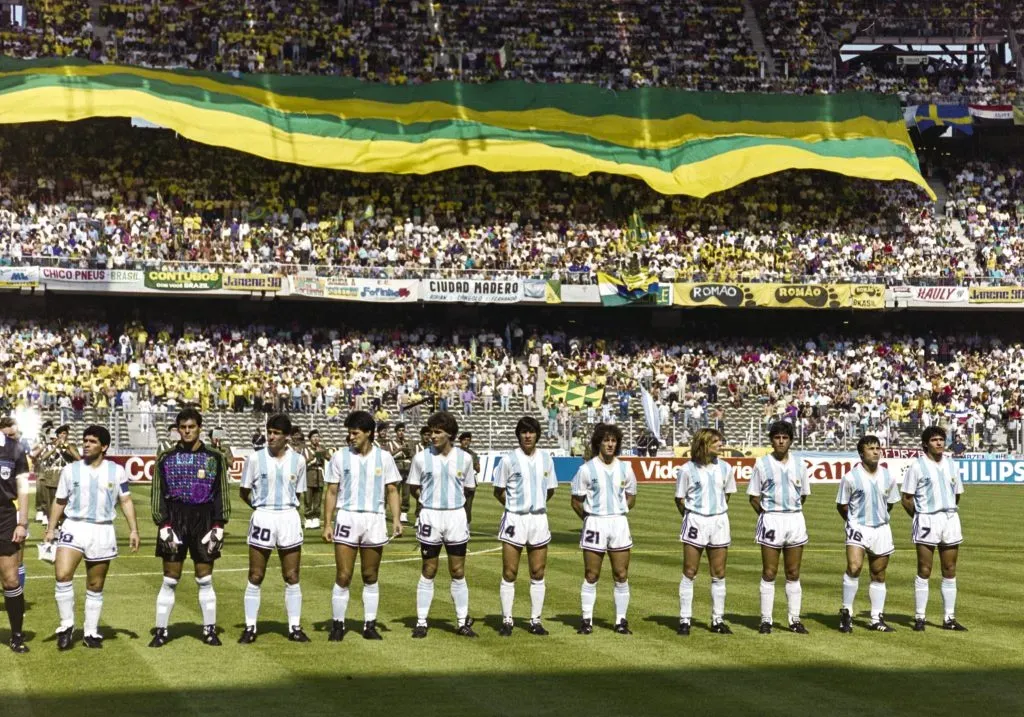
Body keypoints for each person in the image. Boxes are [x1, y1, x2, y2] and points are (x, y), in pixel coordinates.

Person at [44, 425, 140, 650]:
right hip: (74, 526)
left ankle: (91, 632)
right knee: (63, 574)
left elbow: (125, 500)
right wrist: (50, 528)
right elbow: (60, 501)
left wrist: (133, 529)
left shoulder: (116, 471)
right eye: (85, 440)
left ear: (104, 446)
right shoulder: (71, 470)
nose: (86, 444)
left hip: (102, 529)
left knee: (95, 584)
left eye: (92, 441)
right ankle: (66, 626)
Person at [148, 408, 232, 647]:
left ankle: (209, 630)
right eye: (182, 427)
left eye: (191, 427)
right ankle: (161, 631)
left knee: (204, 578)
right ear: (177, 430)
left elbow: (221, 493)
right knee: (170, 578)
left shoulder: (215, 457)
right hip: (174, 518)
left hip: (205, 519)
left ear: (199, 429)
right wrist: (162, 524)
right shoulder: (166, 457)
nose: (187, 431)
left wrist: (219, 524)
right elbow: (158, 493)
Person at [322, 411, 403, 641]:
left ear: (368, 433)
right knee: (344, 575)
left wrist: (396, 519)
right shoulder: (339, 457)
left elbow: (392, 490)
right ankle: (338, 624)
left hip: (375, 518)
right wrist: (327, 523)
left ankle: (369, 625)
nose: (351, 437)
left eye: (355, 432)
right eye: (349, 432)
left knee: (370, 574)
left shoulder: (384, 458)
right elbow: (332, 491)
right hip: (347, 518)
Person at [407, 411, 477, 638]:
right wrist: (430, 502)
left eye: (437, 432)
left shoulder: (464, 459)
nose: (432, 436)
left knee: (458, 570)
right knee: (429, 569)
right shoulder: (420, 458)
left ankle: (461, 621)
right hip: (430, 517)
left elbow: (468, 488)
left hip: (455, 517)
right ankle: (421, 621)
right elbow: (414, 488)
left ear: (450, 434)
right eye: (430, 432)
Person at [239, 413, 308, 643]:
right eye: (269, 432)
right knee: (256, 575)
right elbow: (244, 491)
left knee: (292, 575)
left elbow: (298, 493)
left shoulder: (298, 461)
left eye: (276, 433)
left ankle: (294, 627)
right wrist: (259, 509)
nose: (271, 436)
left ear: (286, 437)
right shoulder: (255, 459)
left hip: (288, 517)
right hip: (263, 516)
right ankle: (250, 627)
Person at [493, 416, 557, 636]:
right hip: (515, 519)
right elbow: (499, 490)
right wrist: (515, 506)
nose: (528, 436)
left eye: (531, 432)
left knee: (538, 572)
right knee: (510, 572)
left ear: (537, 434)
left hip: (538, 519)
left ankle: (535, 620)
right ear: (518, 435)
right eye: (523, 432)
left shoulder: (546, 459)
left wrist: (535, 505)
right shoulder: (508, 460)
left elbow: (550, 490)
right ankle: (507, 620)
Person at [571, 423, 636, 635]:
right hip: (595, 523)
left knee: (621, 573)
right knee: (591, 574)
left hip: (618, 523)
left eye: (613, 440)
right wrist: (589, 519)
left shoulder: (626, 468)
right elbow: (576, 500)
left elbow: (631, 497)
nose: (610, 444)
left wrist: (618, 510)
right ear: (599, 442)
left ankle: (620, 620)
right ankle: (586, 620)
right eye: (606, 440)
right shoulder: (586, 469)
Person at [747, 421, 811, 634]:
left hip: (794, 520)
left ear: (791, 440)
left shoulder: (800, 465)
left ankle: (794, 619)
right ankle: (766, 619)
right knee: (770, 571)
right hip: (771, 520)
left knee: (793, 572)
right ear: (771, 440)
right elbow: (754, 497)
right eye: (777, 437)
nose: (781, 441)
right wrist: (767, 515)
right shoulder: (762, 464)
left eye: (785, 437)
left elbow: (803, 496)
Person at [901, 425, 967, 631]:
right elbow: (906, 499)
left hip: (949, 518)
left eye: (941, 439)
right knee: (925, 569)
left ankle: (949, 618)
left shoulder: (952, 465)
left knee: (949, 569)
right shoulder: (917, 466)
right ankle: (920, 617)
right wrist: (920, 517)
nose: (939, 443)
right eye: (934, 440)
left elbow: (957, 494)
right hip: (927, 520)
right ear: (925, 444)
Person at [675, 428, 736, 636]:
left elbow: (727, 494)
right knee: (690, 571)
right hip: (695, 520)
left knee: (718, 573)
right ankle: (685, 619)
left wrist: (715, 512)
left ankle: (717, 619)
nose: (721, 444)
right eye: (716, 441)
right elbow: (679, 499)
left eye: (721, 441)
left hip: (719, 521)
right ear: (704, 443)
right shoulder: (686, 470)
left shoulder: (726, 468)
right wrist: (692, 517)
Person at [837, 435, 900, 633]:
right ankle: (846, 612)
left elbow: (890, 503)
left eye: (878, 448)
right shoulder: (850, 477)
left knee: (878, 573)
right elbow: (842, 505)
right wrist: (853, 523)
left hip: (881, 528)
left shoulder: (888, 477)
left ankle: (876, 618)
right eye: (871, 448)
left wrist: (879, 518)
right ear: (861, 453)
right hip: (858, 527)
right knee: (854, 567)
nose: (875, 451)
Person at [0, 416, 31, 652]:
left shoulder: (15, 449)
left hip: (5, 517)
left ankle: (17, 635)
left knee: (10, 579)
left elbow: (24, 488)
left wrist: (22, 523)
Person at [36, 424, 80, 528]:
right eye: (60, 433)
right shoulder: (50, 446)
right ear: (57, 435)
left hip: (67, 480)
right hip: (52, 480)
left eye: (64, 433)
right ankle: (53, 532)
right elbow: (43, 457)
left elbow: (78, 458)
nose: (62, 435)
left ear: (67, 435)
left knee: (67, 505)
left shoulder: (72, 445)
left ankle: (64, 528)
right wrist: (56, 446)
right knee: (51, 506)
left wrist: (67, 447)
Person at [385, 422, 415, 524]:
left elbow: (412, 455)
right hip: (396, 469)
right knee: (395, 492)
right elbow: (388, 455)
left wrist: (407, 451)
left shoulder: (409, 442)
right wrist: (399, 449)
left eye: (403, 431)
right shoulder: (391, 443)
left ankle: (404, 513)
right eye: (399, 431)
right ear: (396, 432)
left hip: (407, 469)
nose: (401, 433)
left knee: (406, 493)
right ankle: (396, 512)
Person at [303, 429, 328, 530]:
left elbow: (330, 458)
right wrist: (313, 456)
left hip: (319, 475)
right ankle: (308, 518)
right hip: (309, 474)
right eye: (313, 437)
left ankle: (316, 517)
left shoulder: (322, 448)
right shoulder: (305, 449)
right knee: (308, 498)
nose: (316, 438)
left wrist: (323, 453)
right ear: (310, 439)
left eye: (317, 436)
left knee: (318, 499)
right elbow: (302, 461)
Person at [458, 432, 480, 528]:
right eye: (464, 440)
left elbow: (478, 469)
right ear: (460, 441)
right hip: (458, 482)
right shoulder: (456, 453)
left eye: (468, 440)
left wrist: (476, 466)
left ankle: (467, 526)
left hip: (470, 484)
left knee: (468, 506)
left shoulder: (473, 454)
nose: (466, 442)